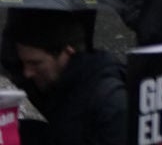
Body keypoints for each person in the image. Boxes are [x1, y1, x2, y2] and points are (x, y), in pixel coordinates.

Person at [6, 10, 130, 145]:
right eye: (24, 62)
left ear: (67, 53)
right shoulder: (57, 79)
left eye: (35, 63)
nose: (27, 72)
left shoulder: (110, 102)